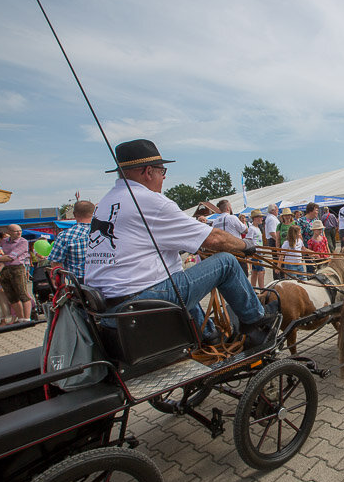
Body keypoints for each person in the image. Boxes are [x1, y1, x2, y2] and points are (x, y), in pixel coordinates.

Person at [84, 139, 276, 349]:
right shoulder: (149, 201)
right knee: (226, 263)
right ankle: (257, 321)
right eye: (162, 171)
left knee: (176, 274)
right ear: (148, 172)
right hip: (141, 302)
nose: (164, 178)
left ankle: (208, 335)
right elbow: (215, 239)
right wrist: (245, 245)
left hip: (108, 308)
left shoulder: (104, 203)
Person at [0, 224, 33, 322]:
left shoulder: (23, 242)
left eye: (20, 230)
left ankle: (27, 318)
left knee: (22, 293)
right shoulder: (4, 241)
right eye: (16, 231)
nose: (19, 233)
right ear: (9, 232)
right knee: (11, 296)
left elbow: (11, 257)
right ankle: (20, 318)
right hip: (4, 269)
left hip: (17, 268)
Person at [49, 199, 95, 283]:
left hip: (79, 283)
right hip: (105, 279)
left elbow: (56, 263)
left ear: (74, 214)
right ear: (94, 213)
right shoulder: (107, 233)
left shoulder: (65, 236)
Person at [246, 209, 265, 288]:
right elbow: (249, 240)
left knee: (255, 271)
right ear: (255, 218)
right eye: (260, 217)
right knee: (261, 271)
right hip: (255, 253)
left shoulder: (257, 228)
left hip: (258, 252)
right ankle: (262, 289)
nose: (262, 219)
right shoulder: (251, 228)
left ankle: (253, 288)